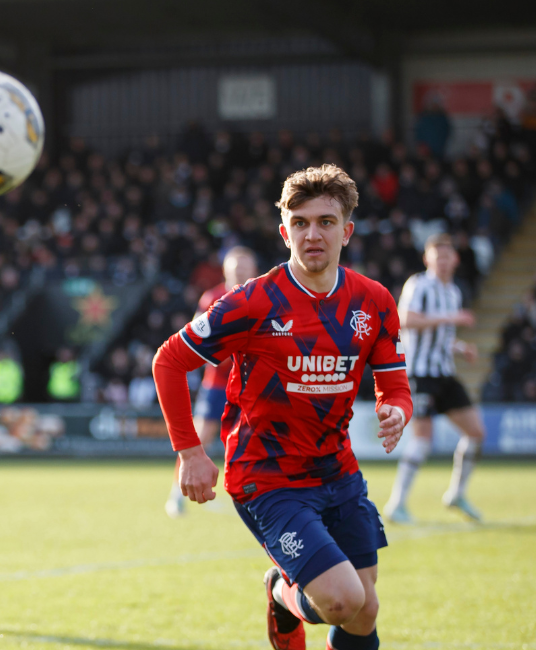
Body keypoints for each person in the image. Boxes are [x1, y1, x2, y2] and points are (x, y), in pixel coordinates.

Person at [153, 164, 411, 650]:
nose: (313, 234)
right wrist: (190, 452)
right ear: (284, 231)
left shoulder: (373, 301)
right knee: (340, 600)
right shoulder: (251, 303)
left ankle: (287, 591)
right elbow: (168, 360)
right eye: (301, 222)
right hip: (268, 477)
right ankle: (279, 591)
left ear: (347, 231)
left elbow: (395, 384)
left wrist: (397, 409)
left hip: (338, 470)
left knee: (364, 609)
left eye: (326, 222)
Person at [383, 233, 485, 523]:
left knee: (476, 433)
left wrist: (460, 347)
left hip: (444, 372)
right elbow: (405, 320)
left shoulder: (452, 292)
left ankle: (456, 493)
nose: (442, 261)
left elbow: (441, 337)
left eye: (447, 256)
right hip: (420, 373)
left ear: (455, 259)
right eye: (436, 256)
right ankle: (397, 503)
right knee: (423, 438)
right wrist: (451, 319)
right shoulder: (419, 285)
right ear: (427, 259)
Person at [164, 246, 257, 518]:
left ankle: (251, 497)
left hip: (252, 383)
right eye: (235, 266)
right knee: (199, 439)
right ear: (226, 270)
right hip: (218, 384)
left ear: (252, 269)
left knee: (252, 442)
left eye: (244, 266)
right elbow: (196, 342)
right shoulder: (213, 297)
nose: (240, 271)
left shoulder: (261, 295)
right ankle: (176, 496)